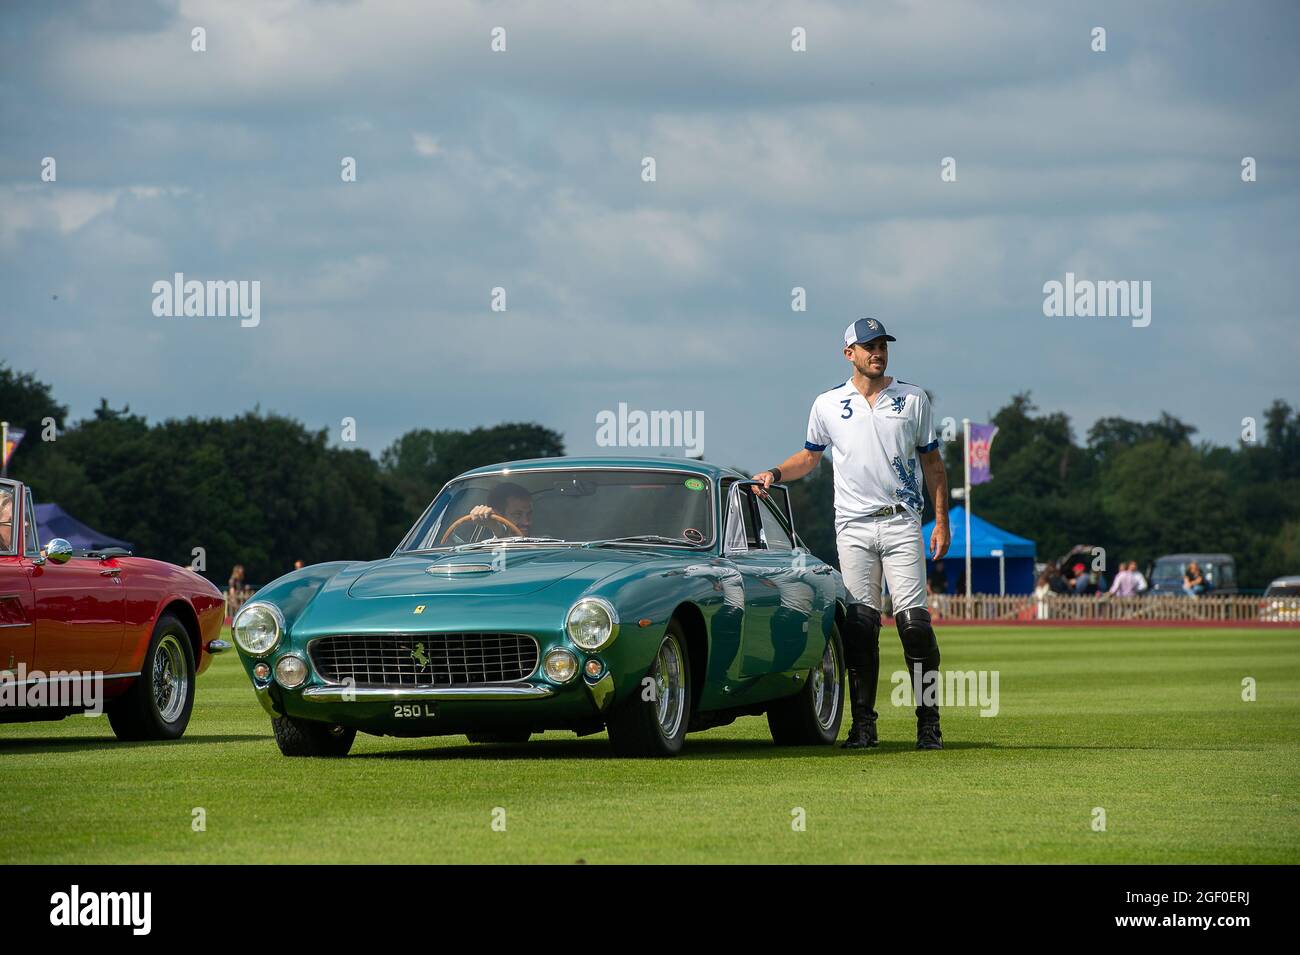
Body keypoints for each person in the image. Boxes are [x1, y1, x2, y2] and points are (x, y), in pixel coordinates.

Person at [753, 317, 951, 751]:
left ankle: (929, 723)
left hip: (902, 520)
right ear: (849, 354)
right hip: (854, 526)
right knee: (860, 626)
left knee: (914, 626)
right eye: (868, 346)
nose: (877, 352)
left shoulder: (912, 399)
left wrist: (941, 520)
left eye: (882, 345)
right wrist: (774, 473)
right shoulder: (827, 403)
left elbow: (933, 465)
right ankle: (864, 726)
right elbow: (809, 458)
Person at [468, 481, 535, 537]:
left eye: (529, 514)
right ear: (497, 515)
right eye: (517, 515)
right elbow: (502, 533)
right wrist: (495, 527)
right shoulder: (480, 548)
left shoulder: (542, 543)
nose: (527, 522)